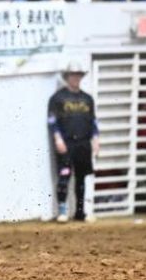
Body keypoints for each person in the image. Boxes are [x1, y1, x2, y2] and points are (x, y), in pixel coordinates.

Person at [48, 61, 100, 223]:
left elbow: (93, 121)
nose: (75, 78)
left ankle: (80, 212)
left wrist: (96, 139)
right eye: (73, 75)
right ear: (67, 77)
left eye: (78, 75)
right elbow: (51, 120)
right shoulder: (58, 98)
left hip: (83, 143)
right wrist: (57, 138)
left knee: (81, 178)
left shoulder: (87, 99)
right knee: (64, 176)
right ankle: (62, 210)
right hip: (66, 142)